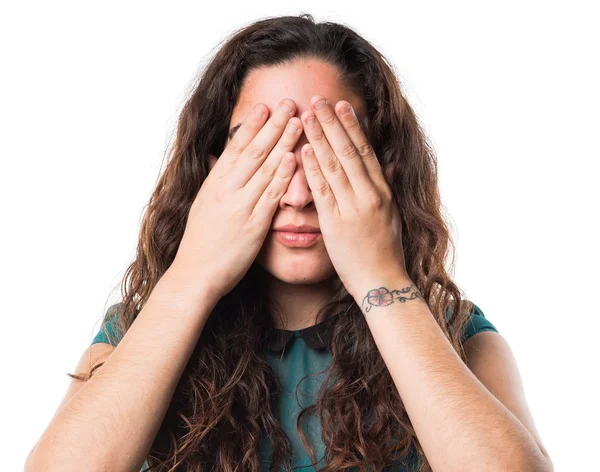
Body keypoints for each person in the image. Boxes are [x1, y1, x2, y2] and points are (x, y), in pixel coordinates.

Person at [25, 13, 553, 472]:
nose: (299, 194)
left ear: (383, 170)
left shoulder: (461, 339)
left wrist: (380, 277)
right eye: (264, 149)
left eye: (331, 152)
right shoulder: (135, 334)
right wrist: (192, 275)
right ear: (213, 173)